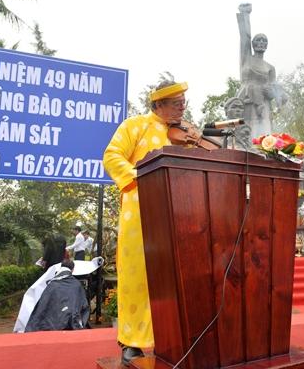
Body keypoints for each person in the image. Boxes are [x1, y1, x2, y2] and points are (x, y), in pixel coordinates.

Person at [103, 77, 187, 366]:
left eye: (183, 103)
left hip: (176, 215)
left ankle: (174, 337)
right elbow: (112, 156)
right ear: (159, 104)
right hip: (139, 214)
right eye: (177, 103)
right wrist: (140, 178)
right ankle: (132, 342)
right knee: (137, 278)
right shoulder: (134, 125)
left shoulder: (183, 134)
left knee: (174, 279)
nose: (182, 108)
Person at [235, 3, 287, 139]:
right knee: (245, 132)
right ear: (253, 44)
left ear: (267, 45)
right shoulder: (246, 58)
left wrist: (274, 95)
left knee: (263, 135)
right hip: (246, 100)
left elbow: (274, 90)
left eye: (264, 41)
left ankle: (263, 152)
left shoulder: (270, 68)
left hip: (263, 106)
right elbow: (244, 38)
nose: (261, 43)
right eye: (258, 40)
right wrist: (245, 15)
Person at [24, 259, 89, 332]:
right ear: (72, 270)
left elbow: (42, 306)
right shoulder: (76, 285)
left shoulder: (51, 285)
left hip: (51, 325)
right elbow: (84, 305)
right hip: (71, 324)